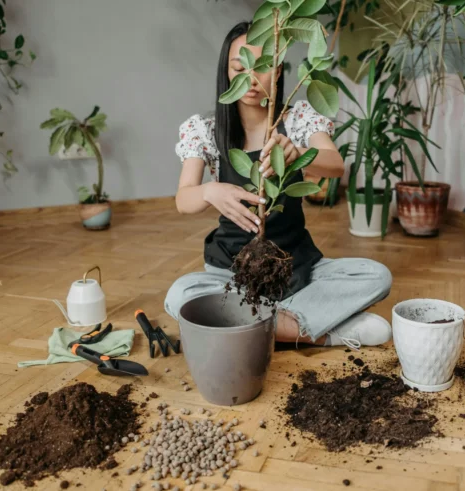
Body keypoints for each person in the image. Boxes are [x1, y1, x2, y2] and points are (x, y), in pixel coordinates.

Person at [164, 21, 392, 349]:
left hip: (296, 266)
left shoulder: (298, 118)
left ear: (281, 71)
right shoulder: (205, 130)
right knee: (179, 296)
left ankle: (246, 324)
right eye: (239, 68)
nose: (252, 79)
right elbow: (183, 199)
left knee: (376, 276)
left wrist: (298, 153)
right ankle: (323, 332)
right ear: (225, 74)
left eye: (263, 67)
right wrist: (209, 191)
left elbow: (335, 165)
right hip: (229, 272)